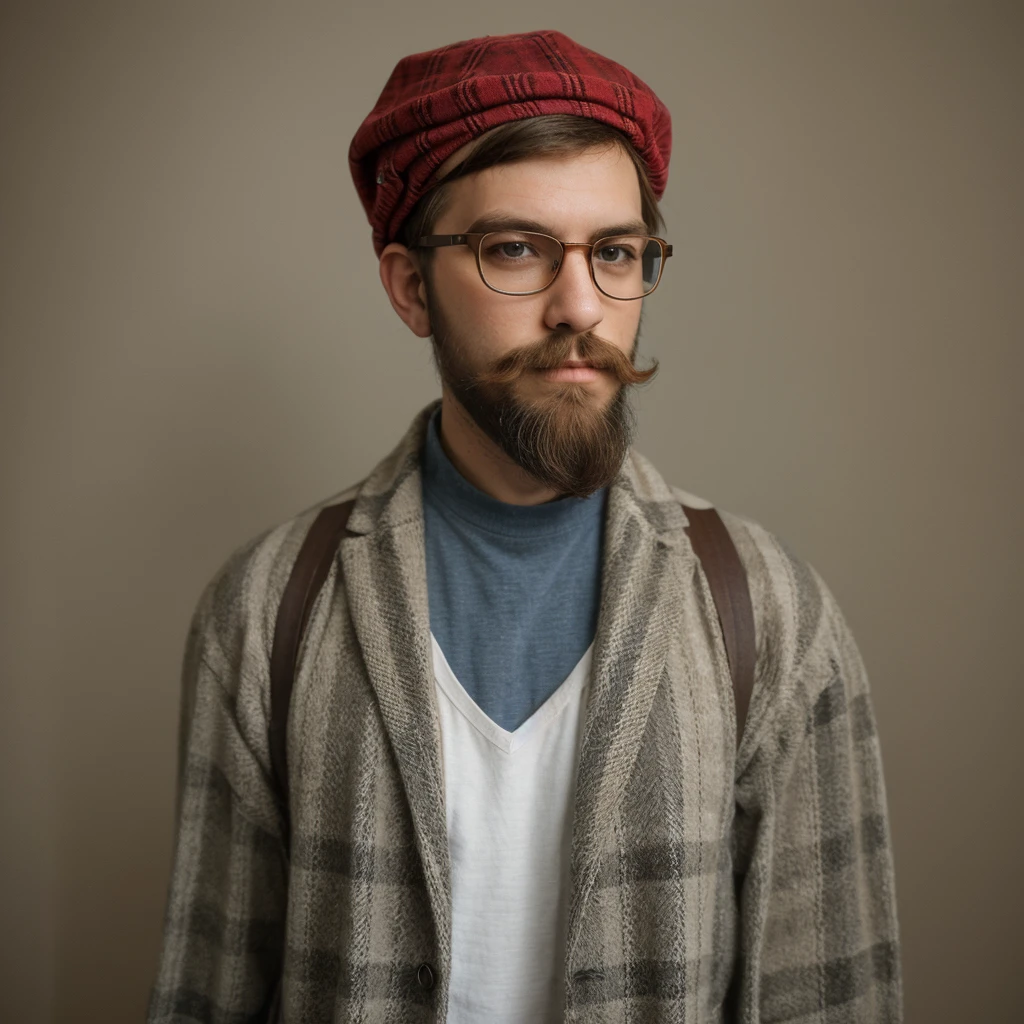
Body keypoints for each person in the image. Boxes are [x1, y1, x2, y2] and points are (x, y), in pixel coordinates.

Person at [148, 30, 902, 1024]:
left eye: (617, 253)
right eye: (515, 249)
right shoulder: (265, 613)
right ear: (410, 285)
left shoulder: (772, 616)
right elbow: (206, 996)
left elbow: (832, 998)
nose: (580, 305)